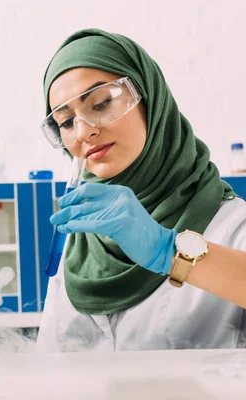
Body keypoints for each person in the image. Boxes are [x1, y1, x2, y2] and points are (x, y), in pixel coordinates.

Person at [37, 29, 246, 352]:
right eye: (65, 122)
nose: (83, 132)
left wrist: (168, 251)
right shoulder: (75, 242)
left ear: (150, 99)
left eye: (101, 103)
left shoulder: (233, 226)